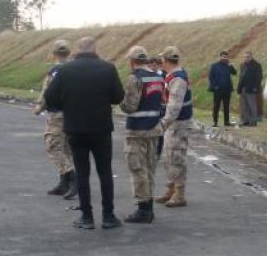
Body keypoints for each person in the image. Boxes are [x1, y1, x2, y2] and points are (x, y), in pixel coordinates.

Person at [43, 36, 125, 230]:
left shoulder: (65, 71)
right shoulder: (108, 68)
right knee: (105, 172)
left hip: (76, 128)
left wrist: (66, 104)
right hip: (101, 128)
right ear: (95, 48)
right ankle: (108, 216)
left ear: (77, 50)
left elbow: (50, 96)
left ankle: (87, 217)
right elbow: (118, 97)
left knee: (82, 173)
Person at [118, 46, 165, 224]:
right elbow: (162, 104)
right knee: (150, 169)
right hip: (154, 129)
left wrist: (120, 103)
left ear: (131, 61)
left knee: (137, 169)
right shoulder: (157, 77)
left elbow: (130, 106)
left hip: (136, 130)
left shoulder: (134, 78)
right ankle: (149, 207)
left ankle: (143, 209)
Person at [34, 40, 77, 198]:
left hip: (57, 114)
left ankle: (72, 177)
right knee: (66, 149)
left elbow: (48, 92)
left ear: (54, 54)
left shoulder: (54, 71)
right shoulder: (75, 70)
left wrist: (39, 107)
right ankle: (64, 182)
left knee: (53, 147)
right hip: (72, 114)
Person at [155, 46, 193, 208]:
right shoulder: (172, 76)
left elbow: (174, 107)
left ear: (165, 60)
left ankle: (179, 193)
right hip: (173, 123)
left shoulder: (177, 79)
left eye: (161, 60)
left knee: (176, 157)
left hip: (177, 123)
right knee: (168, 156)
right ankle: (171, 189)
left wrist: (162, 124)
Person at [206, 50, 236, 127]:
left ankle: (226, 121)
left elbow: (234, 73)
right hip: (218, 90)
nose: (224, 58)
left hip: (227, 89)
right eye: (223, 57)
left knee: (226, 106)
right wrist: (214, 86)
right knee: (216, 106)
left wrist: (230, 65)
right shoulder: (215, 66)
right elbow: (211, 77)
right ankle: (215, 121)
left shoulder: (228, 65)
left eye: (226, 57)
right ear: (220, 57)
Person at [236, 51, 264, 127]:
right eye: (245, 57)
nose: (246, 58)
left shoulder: (257, 65)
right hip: (243, 88)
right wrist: (239, 88)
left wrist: (255, 87)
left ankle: (253, 122)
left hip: (252, 88)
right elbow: (241, 77)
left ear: (251, 57)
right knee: (244, 106)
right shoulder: (242, 65)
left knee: (252, 106)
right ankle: (245, 121)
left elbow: (259, 77)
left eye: (248, 57)